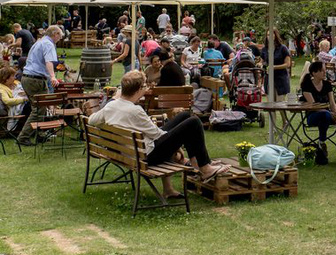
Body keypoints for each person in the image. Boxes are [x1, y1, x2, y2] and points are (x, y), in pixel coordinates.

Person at [89, 71, 229, 196]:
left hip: (133, 152)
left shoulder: (112, 105)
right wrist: (178, 149)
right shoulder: (135, 110)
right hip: (147, 156)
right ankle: (205, 168)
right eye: (144, 87)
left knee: (185, 116)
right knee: (194, 122)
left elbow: (91, 120)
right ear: (138, 90)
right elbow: (159, 135)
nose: (146, 89)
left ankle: (198, 161)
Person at [17, 25, 63, 146]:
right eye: (60, 36)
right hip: (35, 80)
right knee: (38, 109)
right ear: (55, 34)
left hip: (28, 78)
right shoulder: (48, 44)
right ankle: (23, 137)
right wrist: (52, 77)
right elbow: (49, 61)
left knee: (41, 107)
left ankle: (40, 134)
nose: (60, 38)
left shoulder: (39, 42)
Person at [300, 61, 336, 163]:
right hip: (313, 116)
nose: (325, 72)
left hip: (329, 115)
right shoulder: (306, 85)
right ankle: (322, 142)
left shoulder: (327, 84)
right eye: (322, 71)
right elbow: (313, 106)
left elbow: (332, 102)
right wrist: (330, 113)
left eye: (325, 70)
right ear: (314, 73)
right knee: (324, 115)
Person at [263, 29, 293, 98]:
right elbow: (262, 61)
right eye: (268, 35)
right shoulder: (265, 49)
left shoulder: (283, 48)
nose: (269, 37)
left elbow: (288, 64)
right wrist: (261, 64)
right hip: (268, 80)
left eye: (271, 34)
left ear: (275, 36)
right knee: (269, 105)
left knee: (280, 105)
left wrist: (274, 67)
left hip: (281, 79)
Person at [0, 66, 29, 136]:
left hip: (23, 104)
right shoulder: (2, 89)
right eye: (13, 76)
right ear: (6, 78)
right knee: (30, 106)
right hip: (14, 107)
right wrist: (23, 99)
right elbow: (7, 101)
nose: (15, 78)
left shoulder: (16, 83)